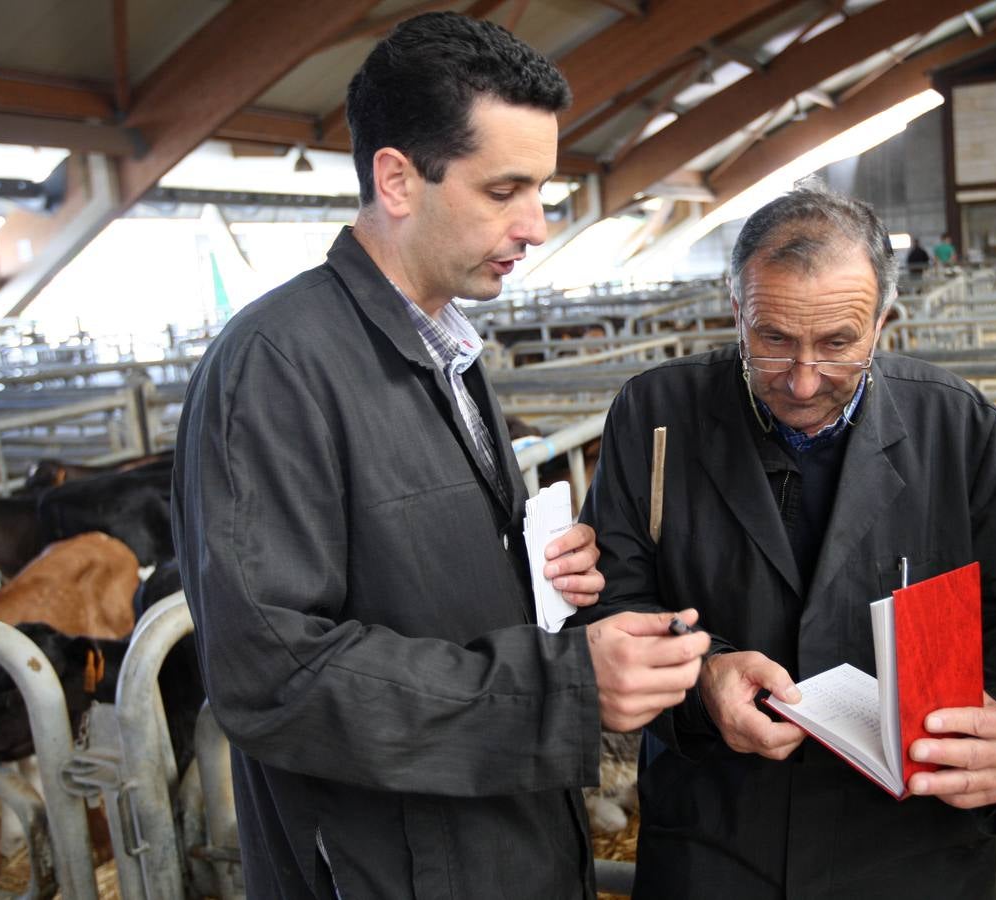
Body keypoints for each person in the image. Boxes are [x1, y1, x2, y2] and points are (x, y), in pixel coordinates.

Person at [170, 13, 710, 898]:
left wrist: (530, 577)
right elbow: (275, 674)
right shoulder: (276, 367)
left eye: (541, 188)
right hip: (388, 869)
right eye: (505, 190)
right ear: (398, 178)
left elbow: (403, 581)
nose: (536, 225)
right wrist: (562, 691)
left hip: (500, 843)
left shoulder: (445, 349)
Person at [579, 182, 996, 898]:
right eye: (774, 339)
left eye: (838, 343)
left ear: (883, 323)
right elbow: (612, 601)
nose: (804, 379)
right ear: (736, 312)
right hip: (718, 840)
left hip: (915, 850)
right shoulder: (655, 416)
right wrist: (701, 682)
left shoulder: (961, 429)